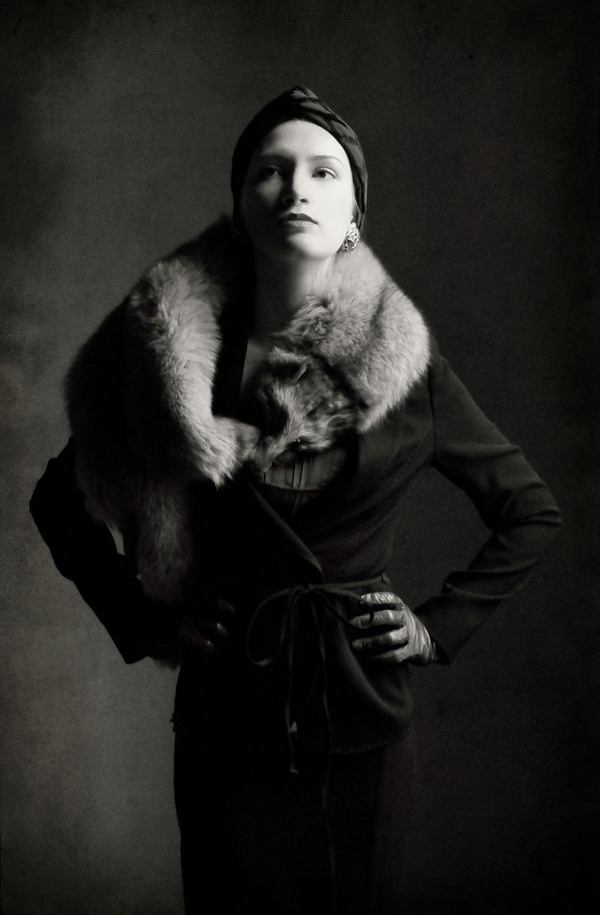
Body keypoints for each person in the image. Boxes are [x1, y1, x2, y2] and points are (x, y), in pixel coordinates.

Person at [30, 87, 562, 914]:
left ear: (354, 216)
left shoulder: (406, 365)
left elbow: (530, 509)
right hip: (225, 726)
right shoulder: (179, 360)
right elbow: (59, 502)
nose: (296, 189)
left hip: (363, 724)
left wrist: (435, 627)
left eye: (323, 172)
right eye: (270, 172)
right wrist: (146, 621)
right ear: (241, 206)